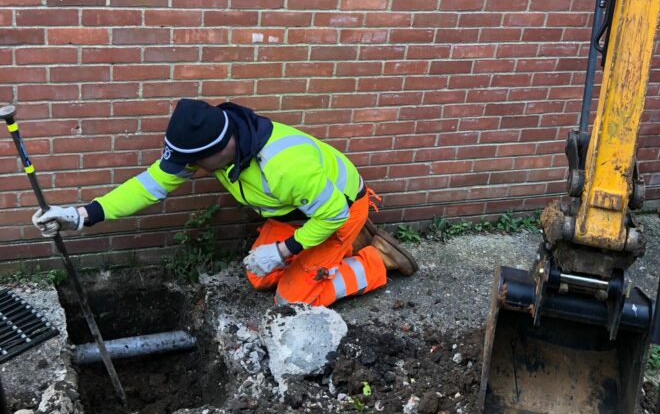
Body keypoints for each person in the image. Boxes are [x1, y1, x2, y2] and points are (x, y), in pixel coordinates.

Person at [31, 99, 417, 307]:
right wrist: (83, 215)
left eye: (194, 164)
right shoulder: (213, 148)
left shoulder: (285, 165)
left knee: (291, 300)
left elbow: (330, 212)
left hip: (339, 211)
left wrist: (286, 249)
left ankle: (374, 259)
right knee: (258, 276)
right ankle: (332, 253)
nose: (189, 171)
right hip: (295, 214)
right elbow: (150, 185)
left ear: (221, 149)